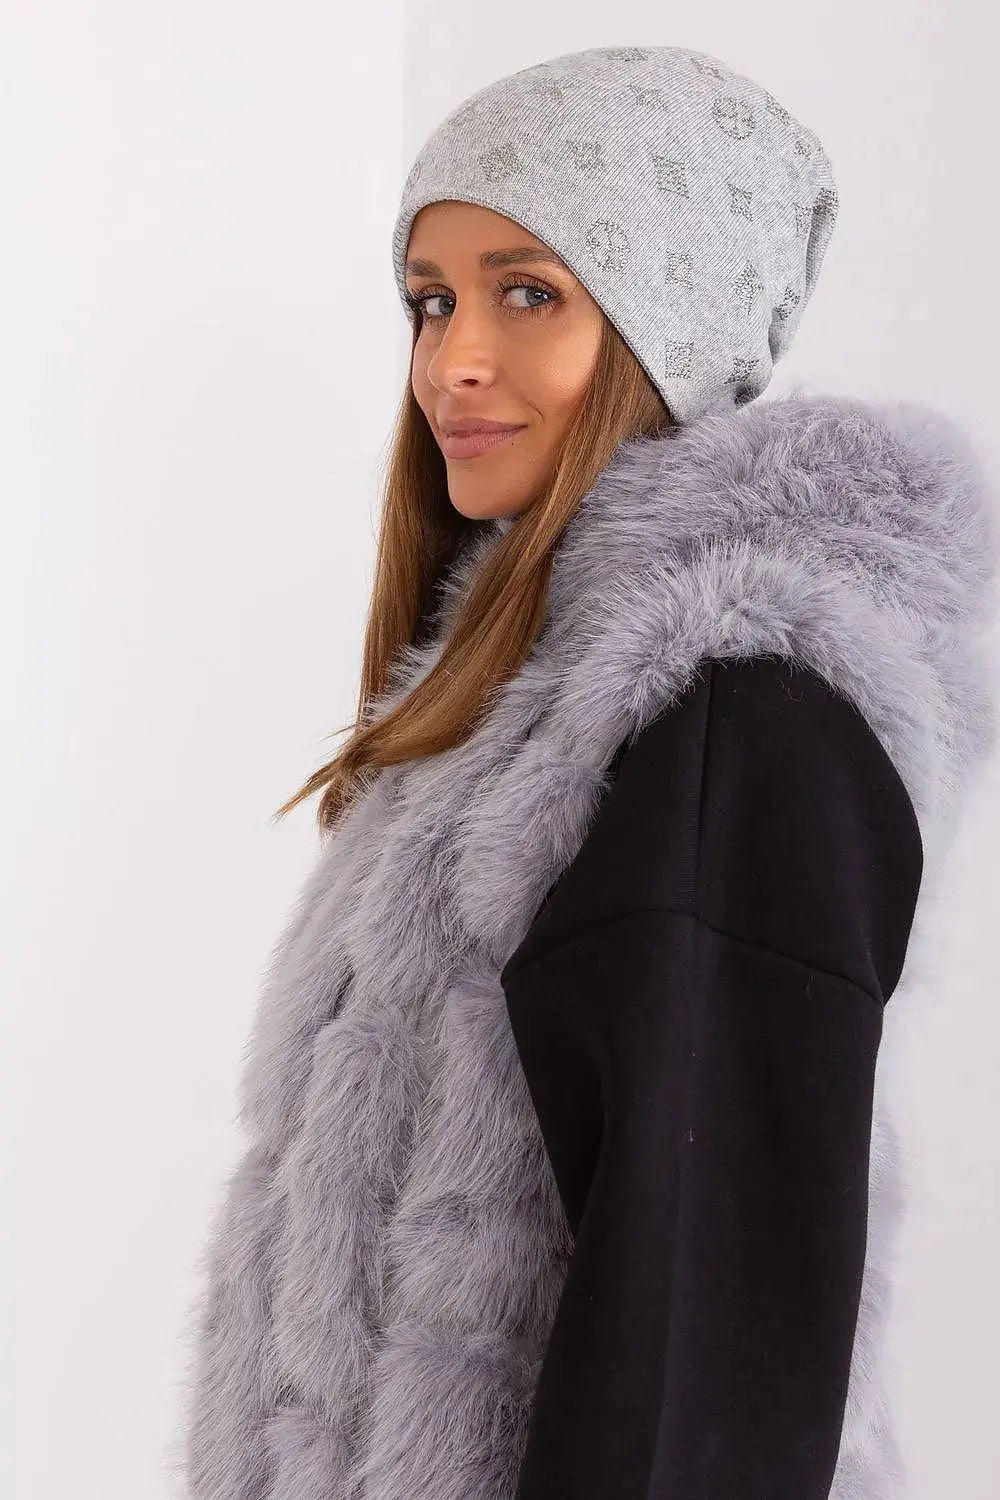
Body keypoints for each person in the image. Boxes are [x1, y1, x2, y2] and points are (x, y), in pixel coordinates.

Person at [173, 44, 998, 1500]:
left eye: (529, 293)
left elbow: (705, 1361)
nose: (452, 360)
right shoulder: (525, 698)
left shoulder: (736, 708)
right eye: (431, 300)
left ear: (671, 318)